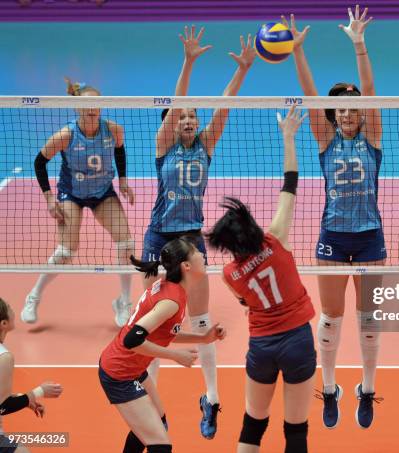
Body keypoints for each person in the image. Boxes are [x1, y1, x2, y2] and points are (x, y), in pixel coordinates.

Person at [142, 25, 255, 439]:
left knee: (201, 318)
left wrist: (242, 70)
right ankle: (149, 402)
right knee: (150, 323)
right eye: (182, 117)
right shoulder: (162, 146)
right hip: (158, 238)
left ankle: (211, 398)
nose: (188, 120)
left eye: (193, 116)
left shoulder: (206, 144)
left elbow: (224, 105)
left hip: (190, 239)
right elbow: (173, 107)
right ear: (172, 124)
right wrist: (188, 61)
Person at [284, 5, 384, 430]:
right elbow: (309, 96)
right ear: (332, 114)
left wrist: (359, 45)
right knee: (329, 319)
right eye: (339, 108)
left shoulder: (372, 137)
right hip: (333, 236)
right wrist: (297, 52)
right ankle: (329, 389)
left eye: (352, 107)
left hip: (370, 237)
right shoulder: (324, 140)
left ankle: (365, 388)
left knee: (368, 320)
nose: (346, 112)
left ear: (361, 113)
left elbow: (372, 91)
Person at [206, 106, 316, 453]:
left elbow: (245, 303)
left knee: (253, 424)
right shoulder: (276, 238)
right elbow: (290, 183)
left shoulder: (229, 274)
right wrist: (288, 137)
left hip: (262, 347)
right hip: (297, 341)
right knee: (296, 430)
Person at [22, 78, 136, 327]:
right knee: (65, 252)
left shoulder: (114, 130)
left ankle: (124, 301)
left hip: (103, 193)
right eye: (86, 104)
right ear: (77, 108)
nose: (92, 109)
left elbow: (119, 149)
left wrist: (124, 180)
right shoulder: (66, 135)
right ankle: (34, 295)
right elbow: (39, 162)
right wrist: (49, 199)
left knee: (127, 242)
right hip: (71, 194)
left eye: (96, 104)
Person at [98, 238, 226, 453]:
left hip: (132, 370)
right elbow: (132, 340)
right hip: (119, 375)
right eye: (196, 252)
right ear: (186, 266)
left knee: (155, 425)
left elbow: (164, 332)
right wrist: (174, 356)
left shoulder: (173, 290)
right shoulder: (171, 301)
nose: (202, 255)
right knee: (161, 445)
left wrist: (203, 338)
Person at [0, 297, 63, 453]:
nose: (13, 309)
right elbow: (3, 407)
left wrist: (24, 399)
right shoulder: (4, 357)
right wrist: (39, 392)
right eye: (9, 308)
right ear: (4, 324)